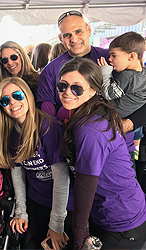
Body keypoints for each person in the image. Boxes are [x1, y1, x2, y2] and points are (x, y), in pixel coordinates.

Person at [58, 57, 146, 249]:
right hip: (116, 210)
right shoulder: (90, 111)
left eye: (76, 88)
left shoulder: (90, 128)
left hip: (120, 220)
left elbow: (86, 185)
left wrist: (80, 235)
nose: (67, 92)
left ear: (94, 89)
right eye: (62, 85)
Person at [0, 77, 73, 250]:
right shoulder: (10, 132)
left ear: (27, 95)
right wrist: (21, 211)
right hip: (36, 202)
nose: (12, 103)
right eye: (5, 100)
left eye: (17, 95)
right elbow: (17, 172)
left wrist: (56, 225)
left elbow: (61, 178)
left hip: (64, 206)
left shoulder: (48, 127)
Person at [37, 10, 110, 120]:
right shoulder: (50, 70)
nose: (74, 39)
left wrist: (131, 122)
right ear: (61, 38)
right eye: (67, 35)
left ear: (89, 30)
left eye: (78, 31)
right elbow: (47, 112)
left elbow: (139, 90)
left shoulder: (112, 58)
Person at [98, 31, 146, 161]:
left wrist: (105, 72)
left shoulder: (128, 77)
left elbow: (107, 93)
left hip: (118, 122)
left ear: (131, 56)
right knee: (128, 159)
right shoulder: (142, 74)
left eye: (114, 55)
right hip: (134, 128)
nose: (110, 59)